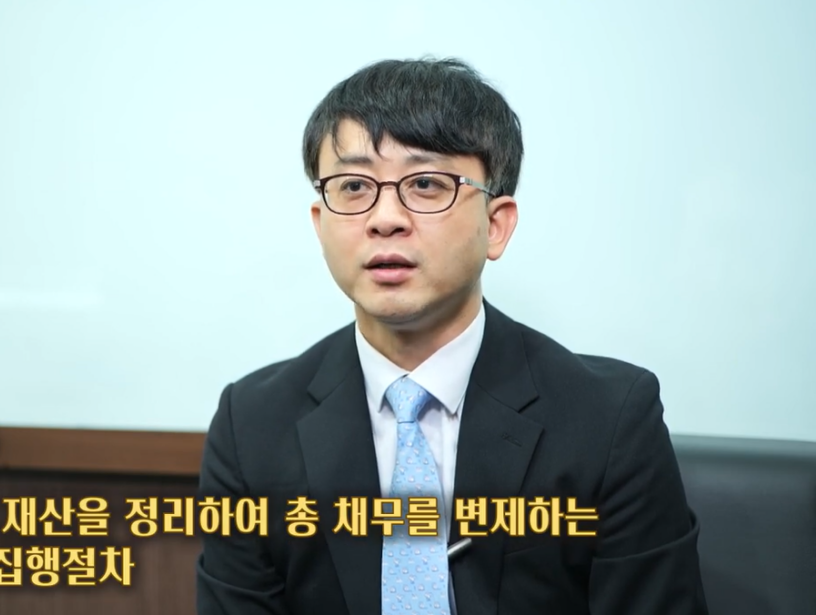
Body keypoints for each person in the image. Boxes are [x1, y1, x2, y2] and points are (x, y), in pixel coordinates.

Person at [196, 57, 709, 614]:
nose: (385, 218)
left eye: (425, 184)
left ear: (495, 224)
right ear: (321, 225)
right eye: (354, 186)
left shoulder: (608, 418)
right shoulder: (252, 424)